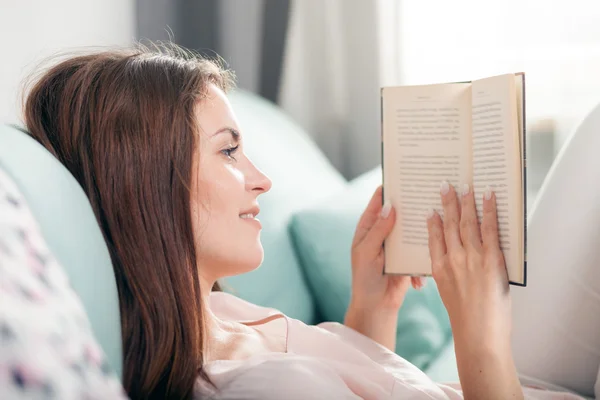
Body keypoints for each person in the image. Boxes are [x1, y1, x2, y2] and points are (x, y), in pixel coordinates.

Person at [20, 44, 597, 399]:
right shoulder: (263, 389)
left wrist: (373, 307)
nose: (262, 179)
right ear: (148, 185)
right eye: (227, 151)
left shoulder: (214, 311)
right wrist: (481, 340)